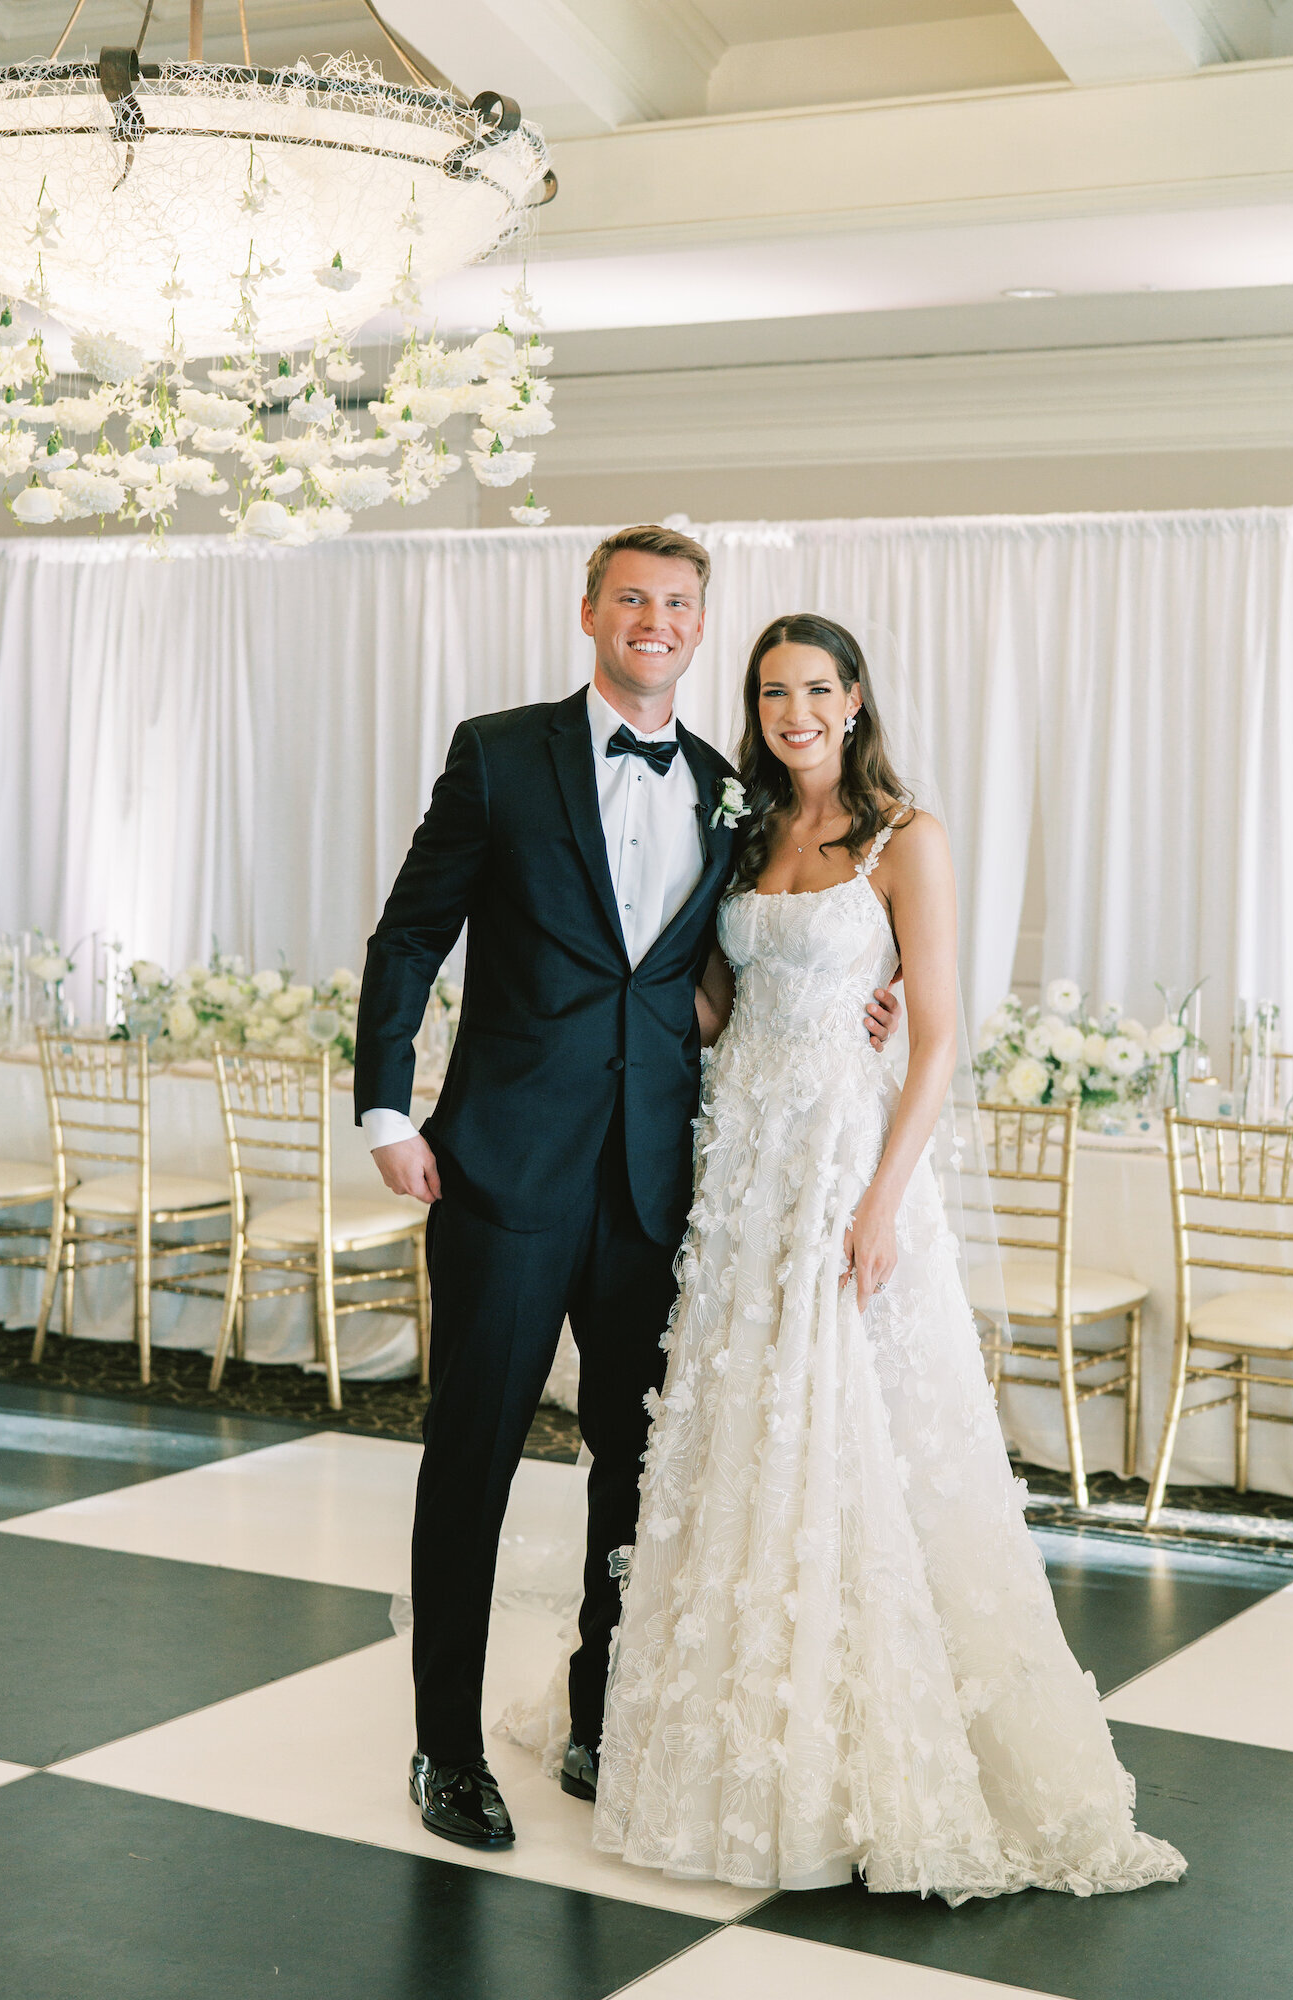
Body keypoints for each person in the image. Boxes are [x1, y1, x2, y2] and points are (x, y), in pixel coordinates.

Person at [587, 613, 1187, 1900]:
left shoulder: (907, 837)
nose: (793, 709)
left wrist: (880, 1199)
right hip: (740, 1163)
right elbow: (716, 1004)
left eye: (816, 687)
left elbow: (937, 1037)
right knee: (745, 1426)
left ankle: (861, 1756)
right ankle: (740, 1737)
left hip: (843, 1163)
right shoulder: (746, 832)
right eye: (772, 691)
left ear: (854, 699)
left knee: (848, 1428)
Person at [354, 529, 900, 1851]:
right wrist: (384, 1104)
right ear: (591, 609)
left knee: (638, 1463)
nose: (656, 621)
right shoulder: (497, 752)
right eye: (634, 599)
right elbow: (413, 930)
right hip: (501, 1168)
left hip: (665, 1183)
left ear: (702, 628)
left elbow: (704, 987)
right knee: (472, 1457)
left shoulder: (732, 789)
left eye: (680, 605)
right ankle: (444, 1751)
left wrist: (845, 1008)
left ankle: (601, 1713)